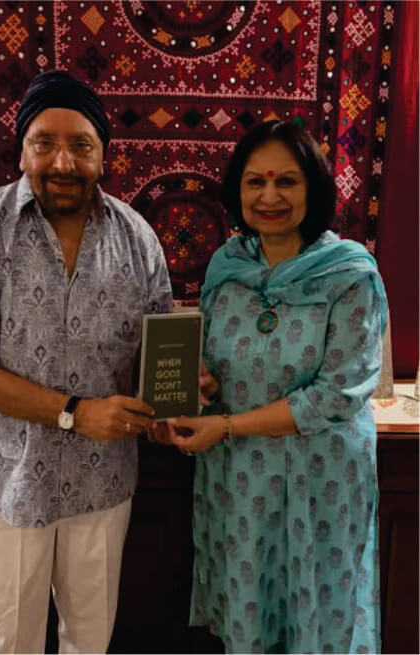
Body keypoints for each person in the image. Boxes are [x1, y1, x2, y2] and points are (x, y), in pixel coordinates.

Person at [0, 70, 172, 654]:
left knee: (89, 642)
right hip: (8, 481)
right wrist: (75, 412)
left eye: (81, 145)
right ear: (22, 151)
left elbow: (156, 351)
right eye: (45, 143)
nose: (63, 162)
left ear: (102, 156)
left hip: (102, 483)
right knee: (10, 642)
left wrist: (183, 386)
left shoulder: (137, 238)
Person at [159, 120, 387, 654]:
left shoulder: (349, 274)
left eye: (286, 181)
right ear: (237, 190)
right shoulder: (227, 266)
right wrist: (204, 382)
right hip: (241, 480)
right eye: (255, 181)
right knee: (250, 618)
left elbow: (337, 395)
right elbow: (216, 358)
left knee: (318, 621)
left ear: (314, 188)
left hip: (320, 478)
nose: (269, 197)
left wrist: (226, 425)